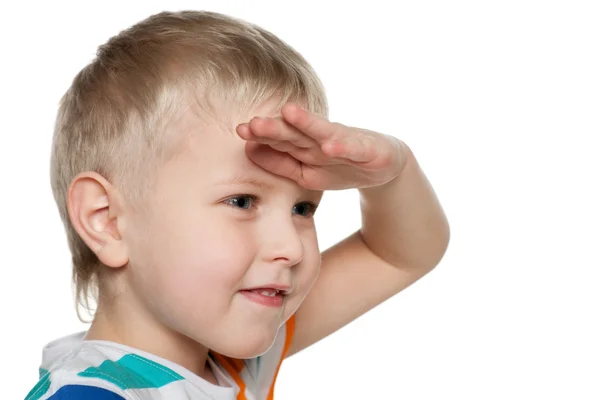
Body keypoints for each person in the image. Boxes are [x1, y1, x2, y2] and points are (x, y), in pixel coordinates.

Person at [25, 10, 450, 400]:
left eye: (303, 209)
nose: (293, 247)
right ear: (109, 221)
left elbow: (400, 254)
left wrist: (393, 172)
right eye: (243, 201)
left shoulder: (231, 360)